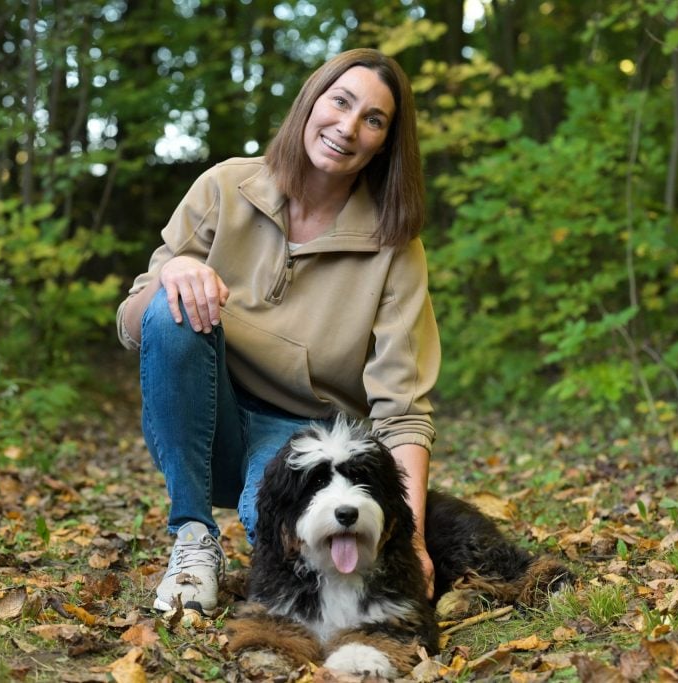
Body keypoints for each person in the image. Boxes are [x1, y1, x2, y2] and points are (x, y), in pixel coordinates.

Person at [115, 48, 440, 616]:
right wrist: (173, 271)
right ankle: (192, 539)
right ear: (310, 100)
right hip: (206, 414)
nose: (348, 127)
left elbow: (403, 408)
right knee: (169, 306)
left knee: (278, 528)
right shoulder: (223, 187)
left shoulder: (394, 245)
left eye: (373, 119)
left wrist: (410, 538)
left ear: (385, 142)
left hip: (300, 437)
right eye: (340, 101)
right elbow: (133, 326)